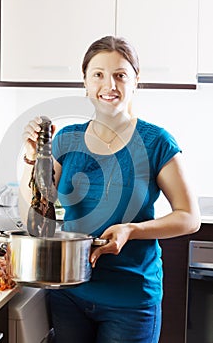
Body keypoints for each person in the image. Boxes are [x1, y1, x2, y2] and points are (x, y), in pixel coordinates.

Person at [20, 36, 201, 343]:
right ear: (86, 83)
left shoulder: (157, 142)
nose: (109, 85)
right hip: (69, 293)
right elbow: (37, 215)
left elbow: (189, 217)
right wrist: (31, 155)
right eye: (98, 75)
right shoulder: (66, 139)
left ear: (135, 81)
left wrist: (131, 229)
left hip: (131, 299)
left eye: (120, 75)